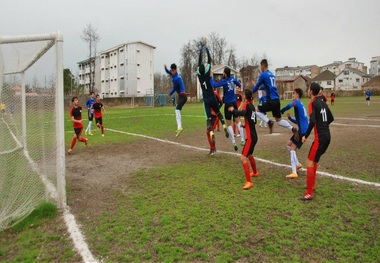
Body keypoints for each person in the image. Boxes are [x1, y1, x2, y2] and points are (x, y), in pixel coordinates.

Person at [301, 82, 334, 200]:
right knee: (314, 161)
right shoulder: (323, 103)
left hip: (320, 138)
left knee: (309, 162)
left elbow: (313, 121)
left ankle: (309, 192)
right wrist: (324, 126)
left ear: (310, 91)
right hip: (327, 136)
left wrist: (305, 135)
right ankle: (312, 186)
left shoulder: (312, 103)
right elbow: (331, 118)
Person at [251, 59, 297, 136]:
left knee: (255, 110)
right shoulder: (272, 75)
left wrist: (250, 92)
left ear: (262, 66)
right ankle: (292, 128)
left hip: (271, 101)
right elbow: (264, 87)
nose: (260, 68)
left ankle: (269, 122)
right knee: (278, 120)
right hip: (277, 100)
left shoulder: (263, 75)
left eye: (260, 67)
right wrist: (256, 86)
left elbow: (257, 87)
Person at [196, 45, 229, 147]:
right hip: (212, 97)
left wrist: (200, 52)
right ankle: (224, 126)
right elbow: (209, 61)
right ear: (206, 70)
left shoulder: (200, 76)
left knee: (208, 119)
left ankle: (211, 133)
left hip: (206, 100)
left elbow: (199, 63)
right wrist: (207, 51)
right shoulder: (207, 75)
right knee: (219, 113)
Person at [228, 89, 259, 190]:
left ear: (245, 96)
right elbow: (253, 121)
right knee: (249, 155)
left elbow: (242, 113)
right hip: (255, 136)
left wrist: (233, 110)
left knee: (243, 158)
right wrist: (245, 126)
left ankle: (249, 182)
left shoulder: (246, 105)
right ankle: (255, 172)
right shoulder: (252, 106)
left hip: (250, 137)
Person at [211, 67, 245, 151]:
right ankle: (242, 139)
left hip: (228, 104)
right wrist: (238, 90)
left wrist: (211, 77)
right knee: (238, 121)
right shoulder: (233, 79)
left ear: (225, 73)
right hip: (234, 102)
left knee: (229, 124)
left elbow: (214, 85)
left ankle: (233, 142)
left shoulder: (224, 81)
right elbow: (240, 85)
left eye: (223, 72)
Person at [280, 88, 309, 178]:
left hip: (303, 131)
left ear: (297, 95)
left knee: (292, 149)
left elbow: (289, 105)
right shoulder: (301, 104)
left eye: (294, 94)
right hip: (303, 129)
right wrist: (290, 119)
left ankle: (294, 172)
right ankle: (297, 164)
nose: (292, 95)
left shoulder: (296, 102)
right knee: (289, 145)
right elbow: (300, 121)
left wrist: (282, 110)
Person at [164, 63, 187, 137]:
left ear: (176, 70)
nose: (172, 72)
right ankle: (179, 127)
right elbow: (168, 72)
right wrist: (165, 68)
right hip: (181, 96)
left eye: (173, 70)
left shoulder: (176, 78)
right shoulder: (173, 74)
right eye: (172, 70)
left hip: (183, 96)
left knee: (177, 110)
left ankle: (179, 127)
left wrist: (170, 93)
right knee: (177, 110)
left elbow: (174, 88)